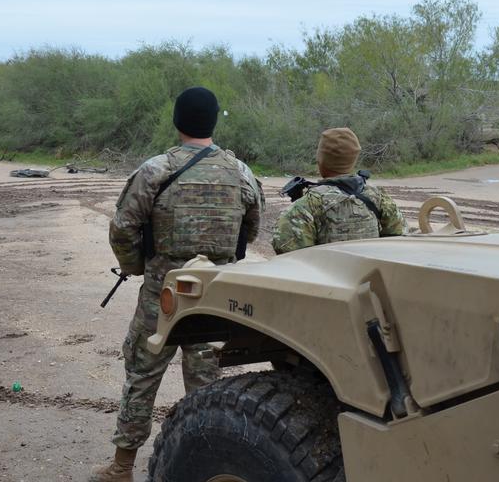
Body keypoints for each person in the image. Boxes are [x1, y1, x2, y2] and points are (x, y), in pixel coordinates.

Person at [91, 87, 263, 482]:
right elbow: (251, 230)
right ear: (214, 122)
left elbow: (122, 228)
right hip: (217, 297)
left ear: (177, 121)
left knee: (141, 375)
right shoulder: (241, 173)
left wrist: (135, 265)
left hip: (162, 295)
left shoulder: (155, 170)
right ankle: (204, 465)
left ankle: (121, 467)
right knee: (206, 387)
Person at [272, 127, 405, 254]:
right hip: (369, 276)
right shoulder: (379, 197)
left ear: (320, 160)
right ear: (353, 159)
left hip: (324, 277)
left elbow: (287, 252)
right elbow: (397, 238)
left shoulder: (307, 205)